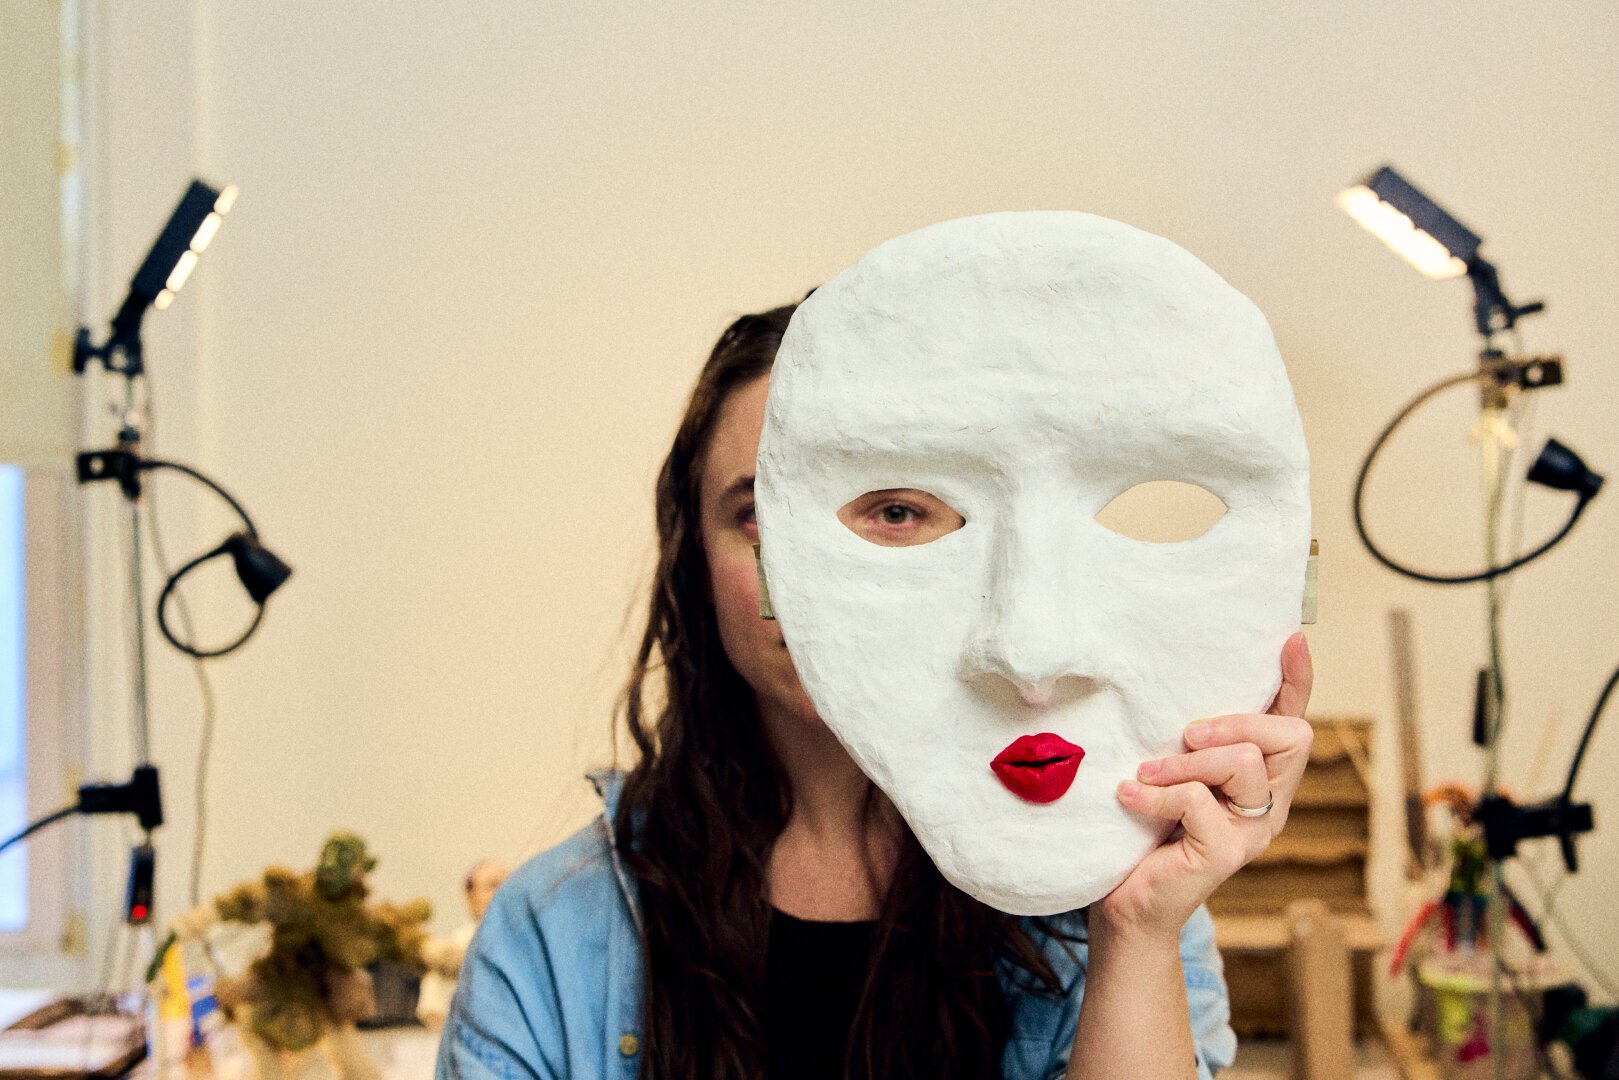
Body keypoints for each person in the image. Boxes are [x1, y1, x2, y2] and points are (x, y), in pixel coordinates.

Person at [438, 302, 1314, 1080]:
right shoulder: (552, 932)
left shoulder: (1108, 890)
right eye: (758, 516)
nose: (812, 582)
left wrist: (1134, 933)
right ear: (695, 561)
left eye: (893, 510)